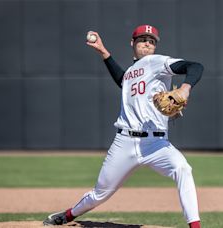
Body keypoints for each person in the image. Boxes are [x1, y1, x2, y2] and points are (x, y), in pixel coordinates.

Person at [43, 24, 204, 228]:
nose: (148, 43)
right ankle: (68, 215)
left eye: (152, 41)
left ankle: (195, 226)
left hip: (156, 143)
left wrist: (185, 88)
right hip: (124, 142)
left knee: (183, 168)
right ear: (132, 43)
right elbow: (123, 80)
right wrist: (103, 52)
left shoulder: (157, 61)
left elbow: (195, 66)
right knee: (100, 194)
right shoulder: (131, 73)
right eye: (143, 39)